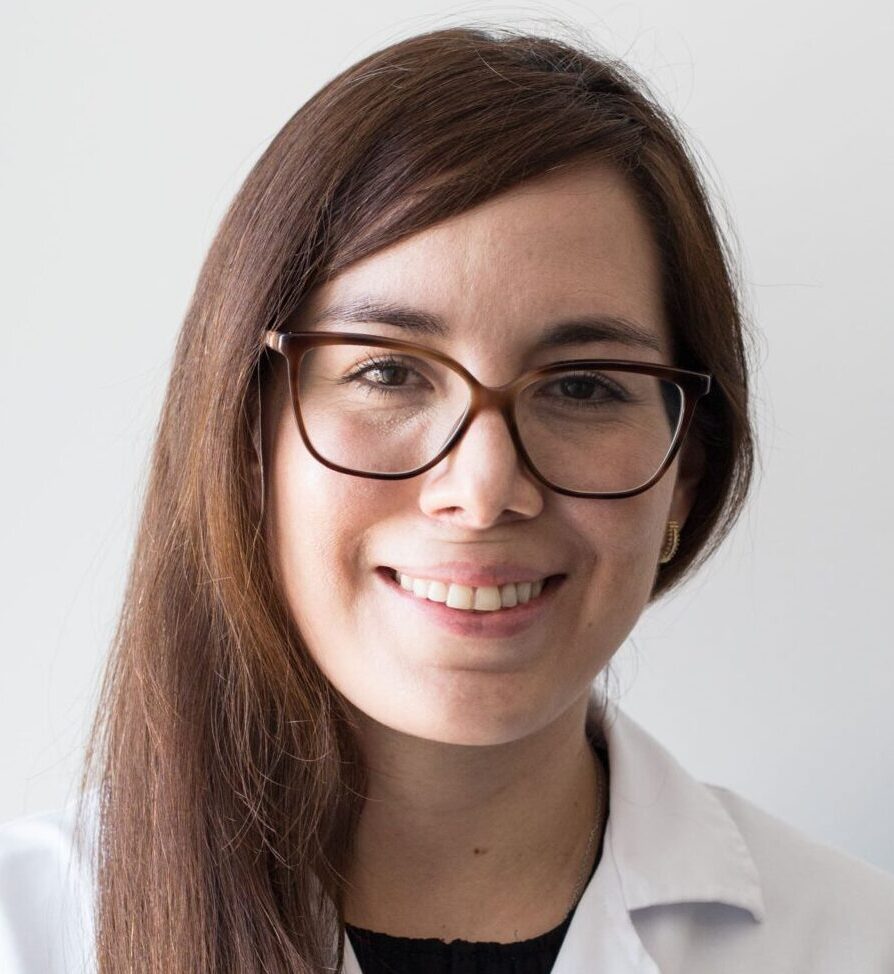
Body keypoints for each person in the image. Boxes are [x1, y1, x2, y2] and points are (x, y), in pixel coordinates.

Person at [1, 24, 892, 974]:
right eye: (388, 372)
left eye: (583, 385)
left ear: (686, 476)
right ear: (246, 441)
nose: (482, 490)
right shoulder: (26, 933)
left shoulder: (855, 942)